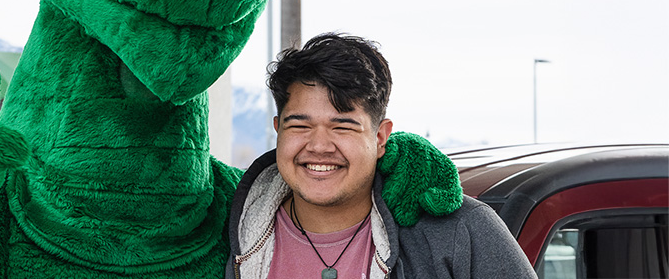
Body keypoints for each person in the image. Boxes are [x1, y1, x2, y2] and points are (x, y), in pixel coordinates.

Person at [226, 33, 537, 279]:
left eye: (343, 127)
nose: (318, 145)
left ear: (380, 138)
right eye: (300, 125)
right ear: (278, 130)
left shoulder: (461, 233)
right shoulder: (231, 229)